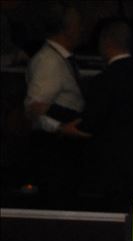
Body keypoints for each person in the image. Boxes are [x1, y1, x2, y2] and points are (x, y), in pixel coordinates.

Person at [73, 18, 133, 213]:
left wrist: (69, 128)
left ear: (105, 43)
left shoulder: (103, 81)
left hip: (108, 169)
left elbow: (90, 124)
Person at [22, 1, 86, 208]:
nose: (82, 29)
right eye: (78, 24)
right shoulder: (48, 61)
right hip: (53, 149)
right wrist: (59, 127)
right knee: (56, 203)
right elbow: (33, 107)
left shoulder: (60, 59)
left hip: (64, 146)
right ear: (68, 28)